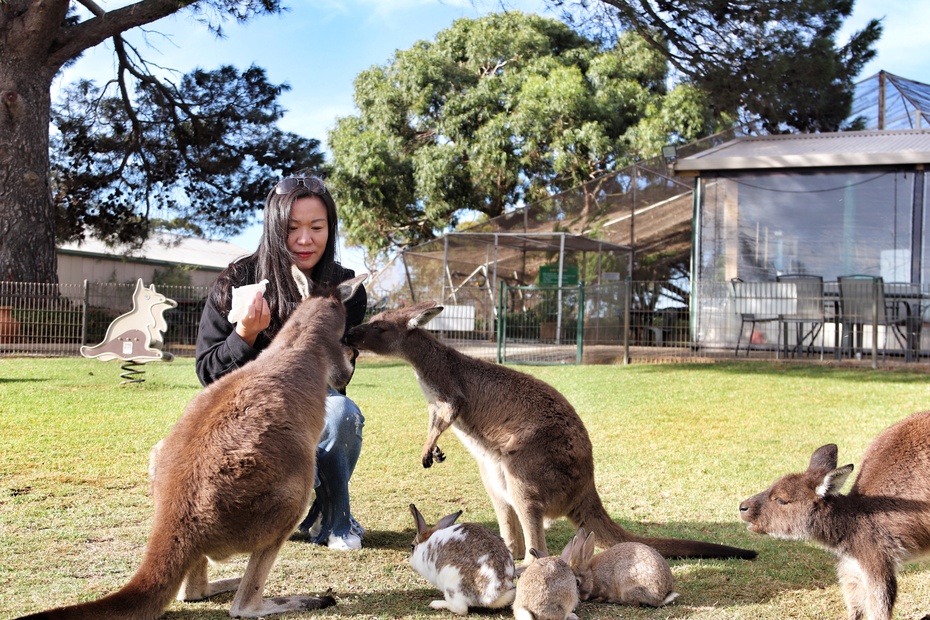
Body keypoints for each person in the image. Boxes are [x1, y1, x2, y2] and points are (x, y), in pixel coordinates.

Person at [195, 173, 367, 550]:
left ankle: (332, 516)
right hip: (247, 409)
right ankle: (255, 514)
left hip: (309, 403)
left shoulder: (344, 288)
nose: (305, 239)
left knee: (342, 414)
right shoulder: (238, 280)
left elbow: (340, 376)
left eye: (317, 227)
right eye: (292, 228)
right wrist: (244, 335)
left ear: (330, 229)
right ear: (274, 228)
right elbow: (208, 371)